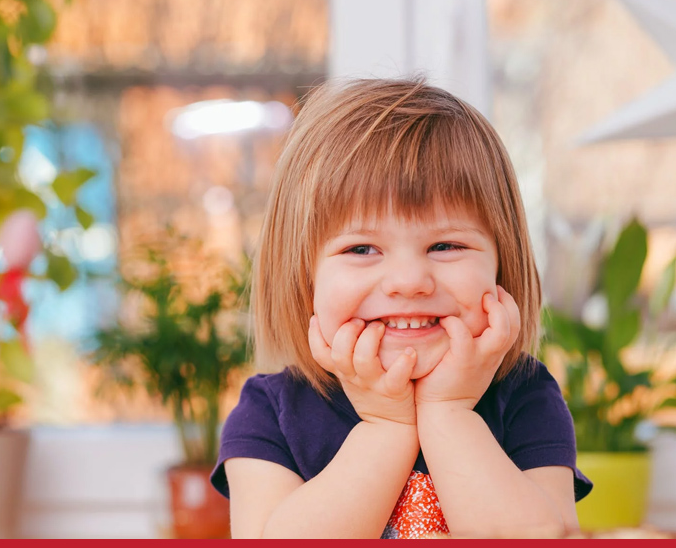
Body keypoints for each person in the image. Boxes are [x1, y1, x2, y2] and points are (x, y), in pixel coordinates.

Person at [210, 78, 592, 539]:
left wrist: (449, 412)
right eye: (363, 249)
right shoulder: (271, 412)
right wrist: (385, 428)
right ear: (304, 276)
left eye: (446, 245)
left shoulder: (525, 395)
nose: (409, 283)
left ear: (502, 266)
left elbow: (543, 539)